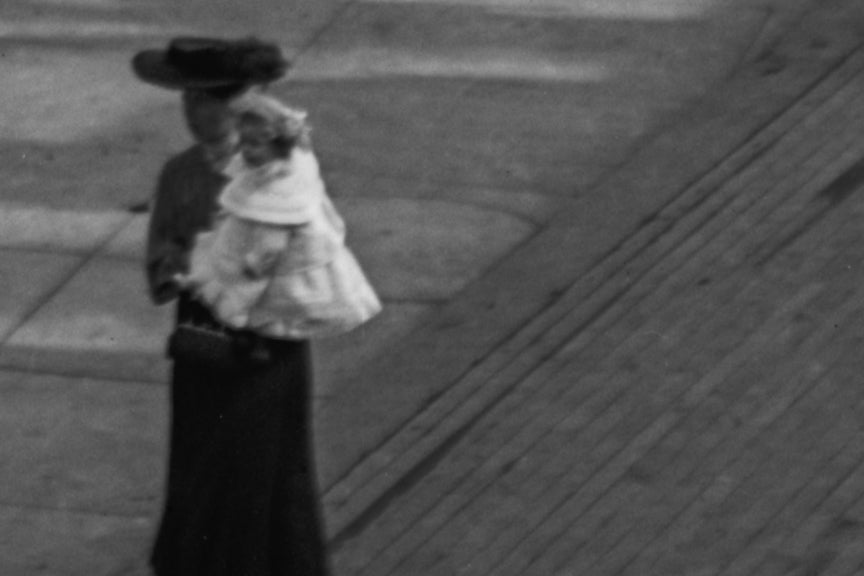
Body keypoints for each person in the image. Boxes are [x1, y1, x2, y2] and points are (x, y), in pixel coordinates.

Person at [132, 37, 332, 576]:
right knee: (203, 469)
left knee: (265, 472)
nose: (194, 114)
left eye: (206, 101)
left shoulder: (280, 171)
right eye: (188, 101)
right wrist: (197, 264)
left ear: (238, 105)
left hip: (268, 346)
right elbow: (160, 267)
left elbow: (313, 251)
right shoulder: (180, 175)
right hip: (206, 346)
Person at [180, 93, 381, 342]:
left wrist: (255, 263)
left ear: (278, 145)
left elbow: (271, 244)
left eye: (254, 145)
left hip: (272, 261)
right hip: (259, 239)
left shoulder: (279, 191)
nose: (245, 151)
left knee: (259, 297)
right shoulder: (287, 162)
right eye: (243, 142)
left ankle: (253, 321)